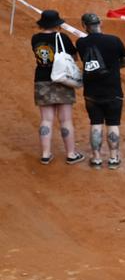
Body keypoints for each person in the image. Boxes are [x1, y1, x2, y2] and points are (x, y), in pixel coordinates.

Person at [75, 13, 125, 169]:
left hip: (91, 92)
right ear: (100, 23)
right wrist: (113, 67)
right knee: (113, 124)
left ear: (84, 26)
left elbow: (88, 62)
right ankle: (113, 158)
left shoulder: (81, 43)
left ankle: (96, 158)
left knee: (95, 123)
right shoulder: (114, 40)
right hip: (113, 90)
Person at [30, 9, 84, 165]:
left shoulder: (35, 39)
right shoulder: (63, 37)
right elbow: (74, 57)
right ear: (57, 24)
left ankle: (46, 154)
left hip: (41, 81)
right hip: (62, 80)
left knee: (46, 120)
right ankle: (71, 154)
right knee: (65, 120)